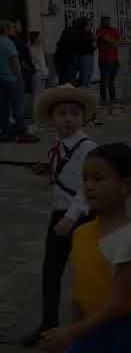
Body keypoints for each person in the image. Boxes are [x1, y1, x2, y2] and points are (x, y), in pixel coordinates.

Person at [38, 143, 131, 352]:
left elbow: (118, 304)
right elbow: (79, 289)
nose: (89, 186)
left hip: (117, 333)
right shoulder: (81, 233)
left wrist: (72, 332)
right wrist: (74, 327)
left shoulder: (127, 240)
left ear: (126, 185)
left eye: (98, 179)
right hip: (86, 329)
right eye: (85, 179)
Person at [23, 84, 98, 347]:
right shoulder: (58, 146)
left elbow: (88, 186)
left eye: (74, 113)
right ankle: (48, 323)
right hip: (58, 214)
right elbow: (66, 174)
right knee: (51, 271)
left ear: (82, 117)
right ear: (53, 118)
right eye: (62, 113)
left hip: (80, 217)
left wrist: (71, 217)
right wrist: (47, 170)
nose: (68, 118)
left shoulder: (88, 147)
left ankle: (88, 324)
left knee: (85, 270)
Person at [0, 20, 37, 143]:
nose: (13, 29)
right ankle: (22, 132)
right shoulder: (8, 43)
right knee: (18, 107)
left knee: (3, 108)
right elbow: (14, 62)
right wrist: (20, 78)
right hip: (12, 79)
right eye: (11, 27)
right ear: (6, 29)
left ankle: (6, 132)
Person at [96, 14, 121, 105]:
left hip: (114, 59)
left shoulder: (113, 30)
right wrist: (112, 41)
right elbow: (109, 40)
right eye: (105, 20)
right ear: (102, 21)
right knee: (104, 80)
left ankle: (113, 99)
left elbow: (117, 43)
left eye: (108, 20)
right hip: (104, 60)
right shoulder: (99, 30)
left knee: (112, 81)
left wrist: (112, 41)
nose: (107, 22)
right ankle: (104, 100)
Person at [30, 31, 49, 114]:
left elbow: (43, 60)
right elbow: (33, 62)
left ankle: (41, 112)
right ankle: (35, 113)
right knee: (36, 95)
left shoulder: (40, 47)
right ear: (35, 38)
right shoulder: (31, 48)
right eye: (39, 37)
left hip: (44, 73)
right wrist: (38, 69)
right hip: (37, 74)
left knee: (42, 94)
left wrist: (46, 70)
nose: (41, 38)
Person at [77, 17, 96, 88]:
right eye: (89, 24)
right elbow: (92, 45)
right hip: (85, 56)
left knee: (88, 76)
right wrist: (93, 40)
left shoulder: (89, 33)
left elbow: (94, 46)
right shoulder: (82, 33)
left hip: (89, 55)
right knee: (85, 77)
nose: (90, 26)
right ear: (85, 25)